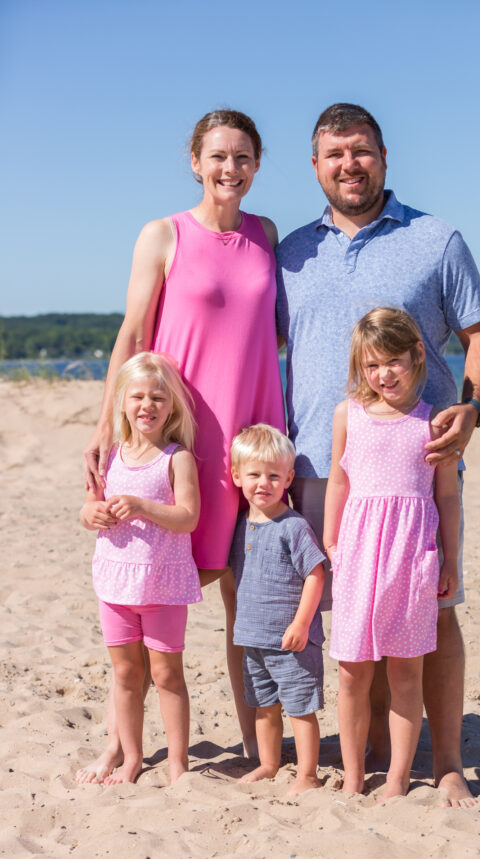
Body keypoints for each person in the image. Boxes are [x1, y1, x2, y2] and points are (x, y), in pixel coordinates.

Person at [276, 102, 480, 807]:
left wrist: (471, 408)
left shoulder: (436, 240)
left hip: (413, 469)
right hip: (316, 466)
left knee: (433, 615)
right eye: (335, 153)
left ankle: (448, 763)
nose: (350, 163)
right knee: (351, 619)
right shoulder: (290, 253)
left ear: (383, 157)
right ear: (315, 167)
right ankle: (372, 754)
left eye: (362, 150)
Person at [79, 110, 284, 781]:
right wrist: (108, 423)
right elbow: (134, 331)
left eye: (244, 158)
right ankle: (119, 742)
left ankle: (259, 750)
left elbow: (272, 336)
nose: (231, 169)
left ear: (257, 165)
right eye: (219, 156)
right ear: (195, 160)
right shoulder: (162, 234)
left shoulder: (267, 236)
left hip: (251, 442)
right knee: (150, 595)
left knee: (244, 602)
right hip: (176, 445)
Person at [324, 308, 459, 800]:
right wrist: (332, 541)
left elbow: (446, 496)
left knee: (406, 671)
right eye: (372, 365)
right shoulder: (348, 414)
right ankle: (355, 776)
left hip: (411, 553)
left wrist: (450, 560)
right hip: (359, 553)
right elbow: (339, 479)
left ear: (417, 355)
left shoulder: (435, 422)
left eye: (394, 362)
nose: (384, 375)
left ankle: (399, 778)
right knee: (351, 670)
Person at [79, 352, 201, 785]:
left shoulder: (176, 458)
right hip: (114, 581)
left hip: (162, 583)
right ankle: (131, 756)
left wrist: (144, 507)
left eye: (158, 397)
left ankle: (177, 763)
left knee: (167, 674)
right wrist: (88, 514)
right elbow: (90, 504)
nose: (147, 405)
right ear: (122, 403)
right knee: (127, 673)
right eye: (138, 397)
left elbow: (188, 517)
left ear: (172, 406)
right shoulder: (109, 454)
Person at [229, 425, 325, 794]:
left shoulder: (294, 527)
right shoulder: (241, 525)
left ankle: (308, 774)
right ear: (238, 476)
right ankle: (269, 764)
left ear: (288, 478)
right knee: (264, 706)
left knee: (300, 707)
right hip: (252, 637)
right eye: (253, 475)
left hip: (292, 640)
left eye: (274, 475)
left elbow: (316, 575)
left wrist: (302, 624)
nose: (263, 483)